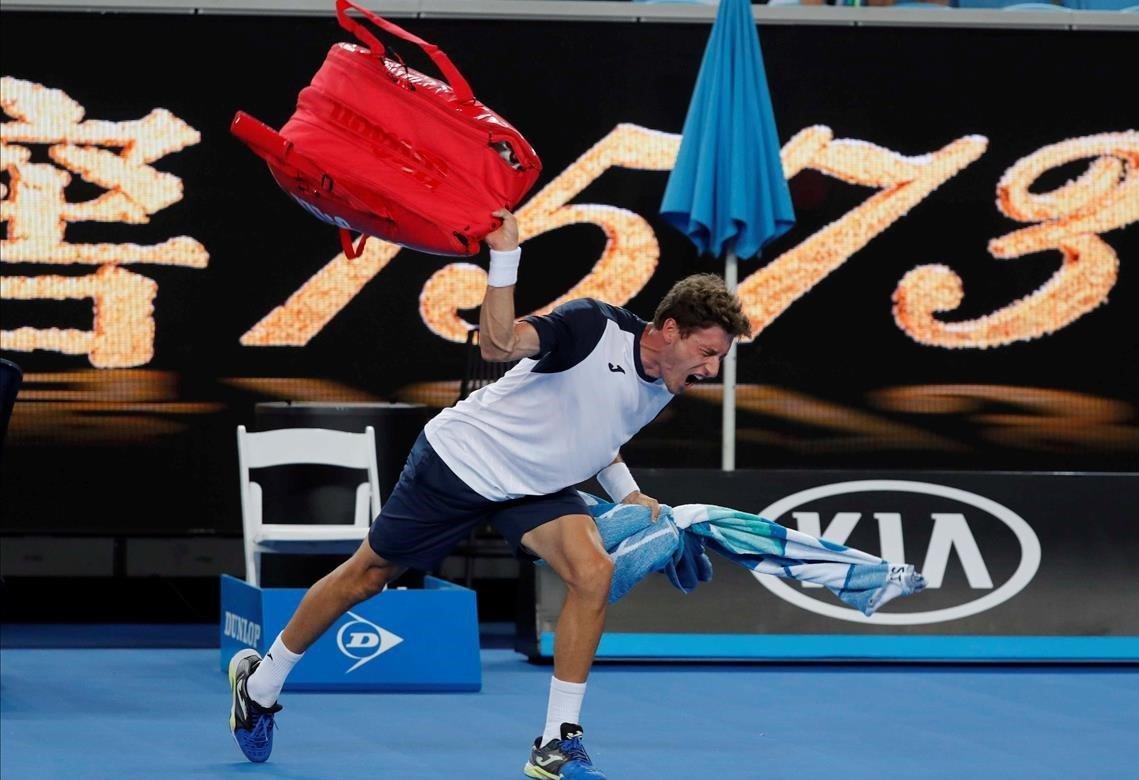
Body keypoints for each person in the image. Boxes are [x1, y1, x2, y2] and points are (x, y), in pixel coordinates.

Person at [228, 208, 752, 779]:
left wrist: (628, 493)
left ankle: (556, 742)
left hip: (536, 488)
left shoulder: (666, 380)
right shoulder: (589, 327)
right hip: (461, 461)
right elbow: (499, 344)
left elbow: (600, 435)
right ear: (670, 329)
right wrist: (505, 254)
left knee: (592, 572)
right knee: (367, 576)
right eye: (707, 353)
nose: (711, 368)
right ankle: (261, 682)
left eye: (719, 358)